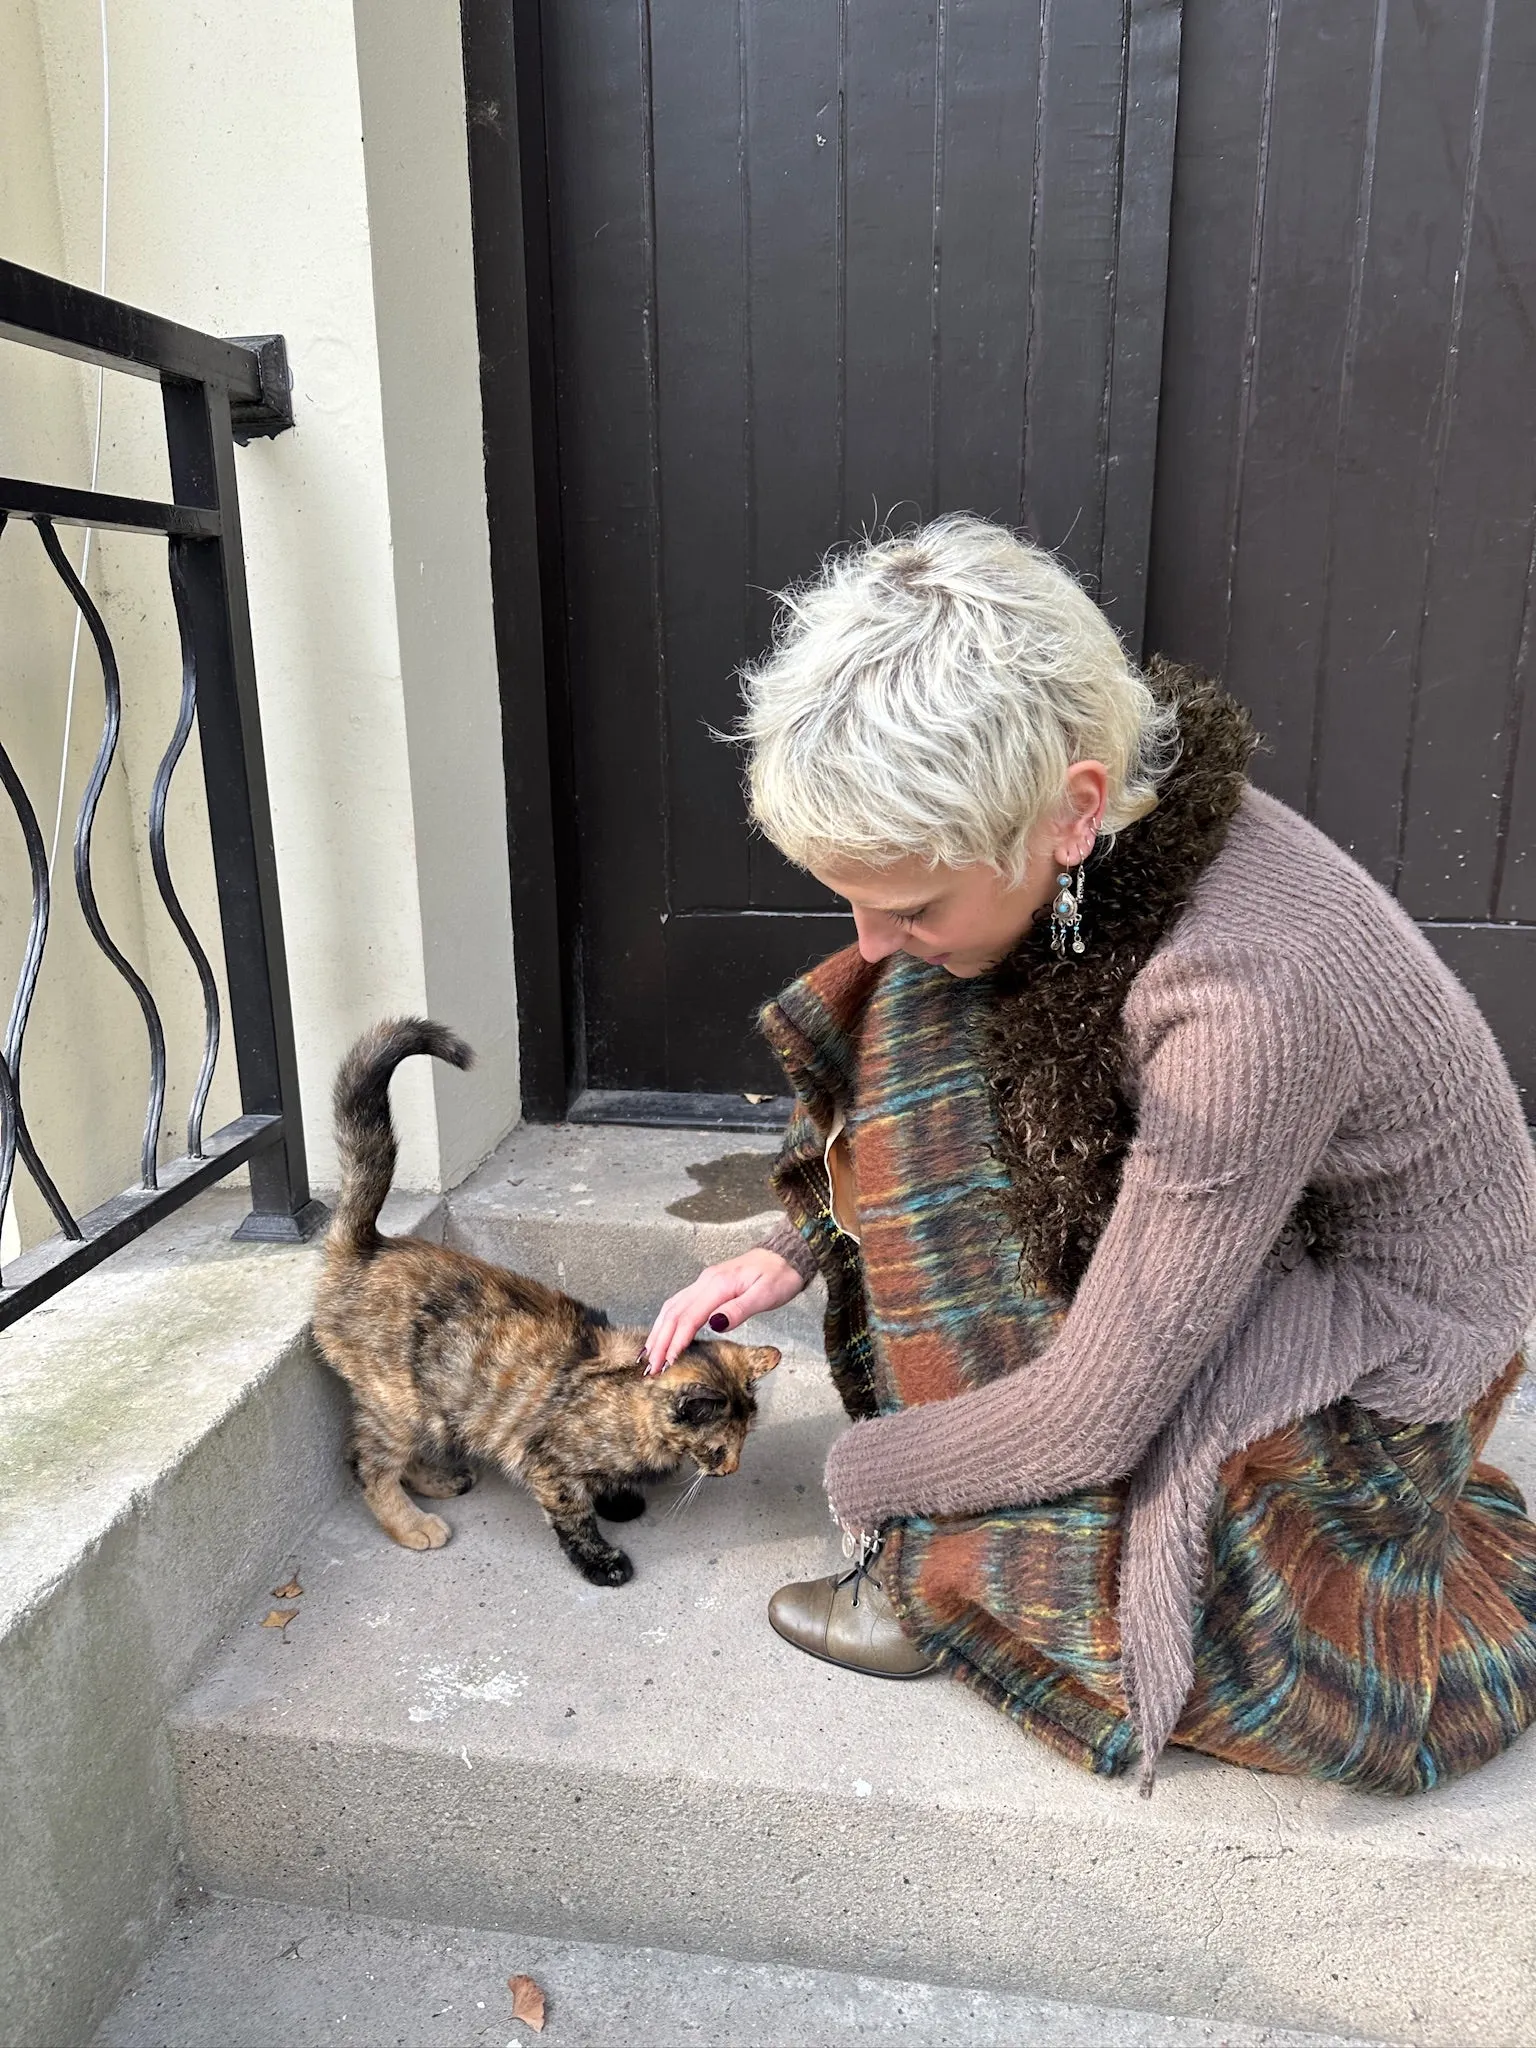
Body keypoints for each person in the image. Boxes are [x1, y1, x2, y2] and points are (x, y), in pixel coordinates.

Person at [642, 515, 1536, 1794]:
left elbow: (1097, 1412)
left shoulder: (1247, 1005)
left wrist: (865, 1477)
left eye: (912, 900)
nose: (872, 937)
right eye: (853, 894)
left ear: (1069, 813)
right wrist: (803, 1241)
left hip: (1387, 1337)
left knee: (1109, 1457)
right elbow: (963, 1046)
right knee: (927, 1020)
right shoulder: (1107, 827)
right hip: (1264, 1202)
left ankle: (943, 1586)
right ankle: (957, 1519)